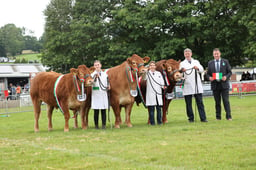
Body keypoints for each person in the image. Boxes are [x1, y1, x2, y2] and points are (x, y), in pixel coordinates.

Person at [180, 48, 208, 123]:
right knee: (188, 103)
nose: (187, 54)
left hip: (196, 84)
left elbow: (202, 69)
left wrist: (197, 68)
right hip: (187, 84)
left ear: (191, 54)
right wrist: (182, 71)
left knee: (200, 102)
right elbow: (179, 74)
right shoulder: (182, 63)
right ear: (184, 55)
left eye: (188, 53)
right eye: (186, 53)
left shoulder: (196, 61)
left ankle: (203, 118)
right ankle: (191, 118)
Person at [207, 48, 232, 120]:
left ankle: (228, 116)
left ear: (220, 54)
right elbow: (207, 74)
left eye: (217, 54)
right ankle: (218, 117)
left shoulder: (225, 61)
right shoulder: (210, 63)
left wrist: (226, 77)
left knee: (226, 101)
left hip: (224, 84)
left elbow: (229, 72)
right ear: (213, 55)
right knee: (217, 102)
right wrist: (209, 78)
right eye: (215, 54)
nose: (216, 55)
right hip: (215, 85)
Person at [145, 61, 166, 125]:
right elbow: (144, 78)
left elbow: (161, 81)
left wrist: (163, 86)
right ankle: (152, 122)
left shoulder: (158, 73)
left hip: (158, 93)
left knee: (159, 109)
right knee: (151, 109)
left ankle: (159, 122)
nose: (152, 67)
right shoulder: (147, 73)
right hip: (150, 93)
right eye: (151, 65)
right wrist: (145, 72)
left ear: (155, 66)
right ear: (149, 67)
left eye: (153, 65)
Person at [91, 60, 110, 129]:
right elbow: (91, 83)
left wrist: (108, 86)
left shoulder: (105, 74)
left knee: (103, 110)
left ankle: (103, 125)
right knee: (96, 110)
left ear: (100, 65)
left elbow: (107, 82)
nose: (97, 66)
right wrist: (95, 78)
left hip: (103, 93)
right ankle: (96, 125)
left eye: (98, 65)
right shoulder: (92, 75)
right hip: (96, 94)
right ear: (94, 66)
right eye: (95, 65)